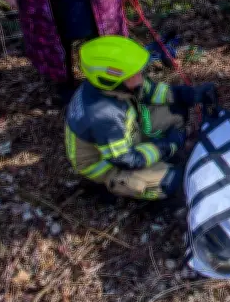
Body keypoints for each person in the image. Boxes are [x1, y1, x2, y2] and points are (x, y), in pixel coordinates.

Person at [65, 36, 217, 200]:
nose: (140, 76)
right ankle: (110, 188)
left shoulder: (113, 86)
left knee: (177, 110)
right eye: (133, 74)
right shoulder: (103, 116)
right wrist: (168, 145)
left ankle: (165, 156)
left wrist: (190, 94)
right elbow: (127, 160)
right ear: (112, 80)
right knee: (175, 181)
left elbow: (152, 91)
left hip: (124, 135)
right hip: (110, 164)